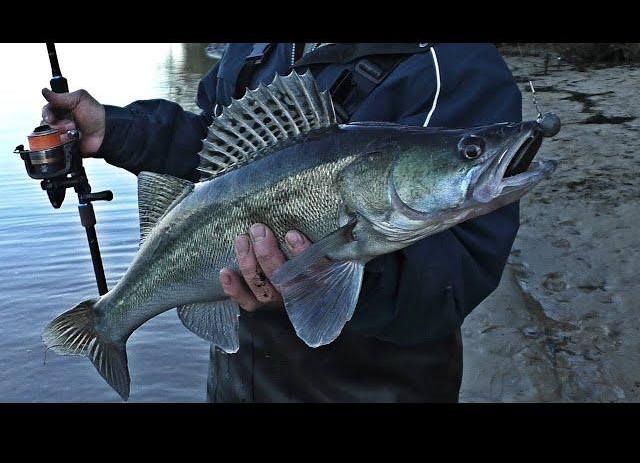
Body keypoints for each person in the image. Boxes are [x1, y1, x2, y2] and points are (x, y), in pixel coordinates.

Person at [41, 43, 522, 402]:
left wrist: (328, 270)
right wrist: (116, 128)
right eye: (471, 153)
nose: (475, 158)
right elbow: (218, 155)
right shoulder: (259, 45)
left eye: (471, 153)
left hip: (366, 388)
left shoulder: (454, 67)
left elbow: (452, 282)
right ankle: (111, 321)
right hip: (239, 379)